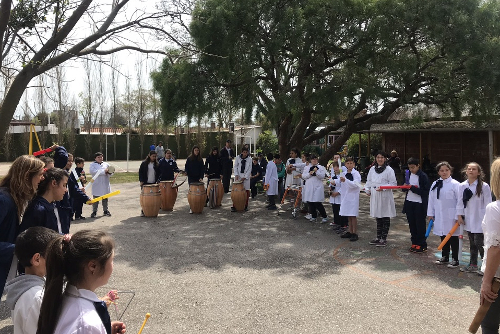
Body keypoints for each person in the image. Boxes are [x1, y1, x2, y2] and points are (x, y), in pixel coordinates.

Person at [37, 230, 126, 334]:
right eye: (111, 260)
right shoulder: (86, 325)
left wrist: (104, 329)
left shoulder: (63, 299)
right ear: (93, 266)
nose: (113, 265)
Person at [0, 155, 44, 296]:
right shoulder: (3, 200)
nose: (42, 179)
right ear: (26, 176)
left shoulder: (13, 198)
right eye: (40, 175)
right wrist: (19, 248)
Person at [5, 227, 59, 334]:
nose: (56, 259)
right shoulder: (37, 298)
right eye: (53, 255)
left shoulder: (24, 287)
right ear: (37, 259)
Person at [457, 162, 492, 274]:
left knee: (479, 242)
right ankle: (473, 264)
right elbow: (459, 202)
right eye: (469, 169)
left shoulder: (484, 186)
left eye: (474, 169)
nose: (471, 171)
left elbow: (488, 203)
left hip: (480, 218)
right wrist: (459, 215)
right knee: (472, 242)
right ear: (466, 171)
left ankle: (486, 266)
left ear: (478, 172)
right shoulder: (462, 186)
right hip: (468, 217)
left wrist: (487, 218)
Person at [479, 158, 500, 333]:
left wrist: (486, 282)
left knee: (489, 325)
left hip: (498, 279)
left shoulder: (495, 208)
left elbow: (496, 248)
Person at [427, 161, 460, 267]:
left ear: (450, 171)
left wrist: (458, 215)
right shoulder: (435, 184)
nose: (444, 172)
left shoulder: (455, 184)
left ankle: (455, 259)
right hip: (440, 214)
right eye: (442, 170)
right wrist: (430, 213)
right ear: (438, 172)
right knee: (443, 235)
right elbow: (431, 199)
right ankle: (445, 256)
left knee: (453, 237)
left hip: (452, 215)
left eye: (446, 170)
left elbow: (460, 201)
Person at [20, 168, 69, 234]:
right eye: (64, 185)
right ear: (54, 183)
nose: (66, 190)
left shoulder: (50, 205)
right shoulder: (38, 210)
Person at [365, 151, 397, 247]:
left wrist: (382, 188)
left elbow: (393, 184)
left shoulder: (389, 170)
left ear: (385, 158)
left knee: (385, 216)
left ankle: (384, 238)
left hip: (385, 196)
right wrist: (368, 189)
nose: (380, 159)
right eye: (378, 157)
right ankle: (378, 237)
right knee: (378, 216)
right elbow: (369, 182)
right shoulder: (372, 169)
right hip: (375, 195)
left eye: (382, 157)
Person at [53, 147, 90, 225]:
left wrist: (86, 198)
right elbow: (62, 157)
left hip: (66, 205)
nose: (70, 163)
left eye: (71, 161)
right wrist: (60, 148)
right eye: (68, 160)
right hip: (59, 206)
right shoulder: (57, 173)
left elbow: (73, 188)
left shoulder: (66, 173)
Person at [402, 157, 431, 253]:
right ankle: (414, 242)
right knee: (412, 223)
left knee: (420, 224)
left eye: (413, 167)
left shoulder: (423, 176)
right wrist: (405, 187)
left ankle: (421, 244)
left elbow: (425, 192)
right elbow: (405, 187)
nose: (411, 170)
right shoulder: (408, 174)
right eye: (410, 167)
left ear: (418, 166)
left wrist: (412, 188)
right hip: (409, 202)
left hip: (419, 203)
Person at [339, 157, 362, 242]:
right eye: (347, 163)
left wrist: (346, 180)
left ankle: (354, 233)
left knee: (353, 215)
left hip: (353, 197)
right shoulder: (343, 173)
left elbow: (355, 184)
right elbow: (339, 182)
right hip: (345, 196)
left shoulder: (356, 174)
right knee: (348, 214)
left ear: (354, 164)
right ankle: (349, 231)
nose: (349, 165)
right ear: (345, 164)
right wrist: (334, 182)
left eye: (351, 163)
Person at [302, 155, 328, 223]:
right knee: (310, 202)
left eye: (316, 159)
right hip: (309, 186)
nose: (314, 161)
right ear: (310, 160)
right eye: (313, 159)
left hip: (317, 186)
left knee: (317, 202)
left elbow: (322, 176)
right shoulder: (307, 167)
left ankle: (324, 216)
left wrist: (316, 172)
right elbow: (304, 176)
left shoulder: (321, 167)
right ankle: (314, 216)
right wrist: (309, 174)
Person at [89, 152, 113, 218]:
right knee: (96, 199)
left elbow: (111, 172)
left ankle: (105, 210)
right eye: (98, 157)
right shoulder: (92, 165)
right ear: (95, 158)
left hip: (105, 183)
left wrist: (109, 172)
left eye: (101, 157)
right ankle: (94, 211)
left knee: (105, 199)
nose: (100, 158)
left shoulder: (106, 164)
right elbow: (93, 172)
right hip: (97, 184)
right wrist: (104, 172)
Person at [329, 161, 348, 232]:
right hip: (333, 196)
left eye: (337, 167)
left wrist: (338, 192)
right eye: (334, 167)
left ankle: (344, 225)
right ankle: (337, 223)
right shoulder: (332, 176)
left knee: (341, 211)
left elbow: (343, 186)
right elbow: (330, 184)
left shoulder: (342, 176)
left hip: (339, 195)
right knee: (335, 210)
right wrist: (330, 188)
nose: (336, 168)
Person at [185, 146, 205, 213]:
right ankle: (191, 207)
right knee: (192, 193)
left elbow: (202, 169)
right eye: (195, 150)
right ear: (193, 151)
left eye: (197, 150)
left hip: (198, 178)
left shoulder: (200, 159)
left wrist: (201, 177)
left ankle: (199, 206)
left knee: (199, 193)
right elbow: (186, 167)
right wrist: (186, 172)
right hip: (191, 178)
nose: (196, 151)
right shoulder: (189, 159)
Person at [232, 147, 252, 212]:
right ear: (242, 152)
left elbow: (249, 169)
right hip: (239, 176)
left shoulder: (249, 159)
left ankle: (245, 205)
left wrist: (245, 177)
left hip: (245, 177)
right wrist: (236, 175)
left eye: (246, 152)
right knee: (236, 191)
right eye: (244, 152)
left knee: (246, 192)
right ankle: (235, 205)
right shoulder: (238, 158)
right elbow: (235, 166)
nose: (245, 154)